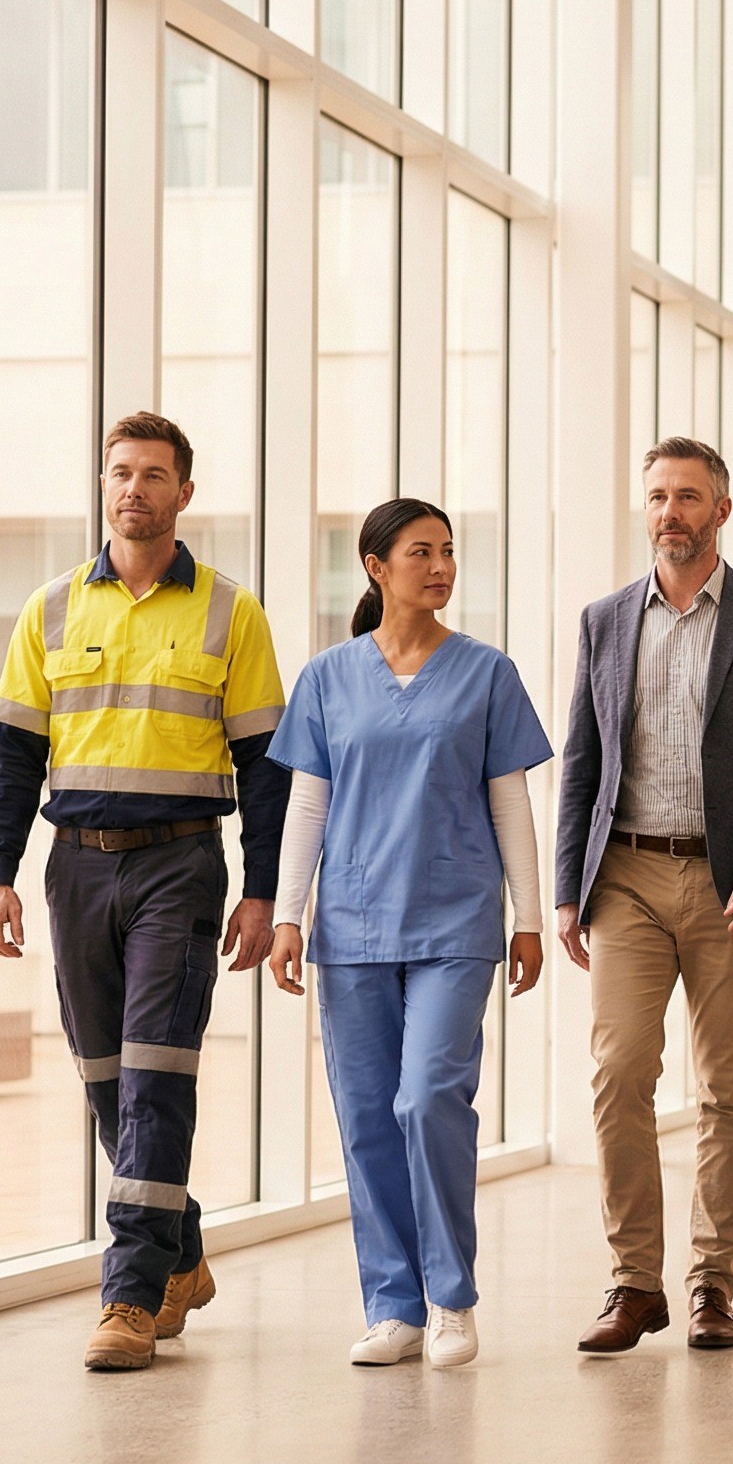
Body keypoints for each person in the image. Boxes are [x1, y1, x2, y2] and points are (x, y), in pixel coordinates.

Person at [0, 412, 289, 1372]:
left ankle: (129, 1296)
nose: (135, 488)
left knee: (157, 1071)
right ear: (103, 485)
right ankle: (179, 1248)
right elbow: (10, 755)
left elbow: (266, 764)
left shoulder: (232, 613)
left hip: (181, 865)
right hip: (76, 865)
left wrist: (265, 890)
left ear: (184, 494)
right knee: (105, 1075)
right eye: (121, 472)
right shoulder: (51, 608)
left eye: (155, 475)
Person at [264, 499, 552, 1370]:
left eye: (449, 552)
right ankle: (395, 1307)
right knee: (365, 1118)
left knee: (428, 1098)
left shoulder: (486, 673)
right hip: (348, 926)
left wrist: (530, 917)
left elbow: (511, 801)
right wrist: (286, 913)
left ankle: (452, 1296)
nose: (440, 566)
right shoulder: (326, 677)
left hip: (456, 920)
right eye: (421, 552)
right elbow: (306, 805)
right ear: (375, 566)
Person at [556, 438, 733, 1353]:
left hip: (727, 883)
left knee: (728, 1089)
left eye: (689, 497)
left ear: (722, 510)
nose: (671, 512)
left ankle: (710, 1284)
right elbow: (583, 760)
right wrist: (564, 893)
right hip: (622, 876)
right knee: (619, 1072)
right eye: (659, 496)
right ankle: (634, 1282)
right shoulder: (604, 620)